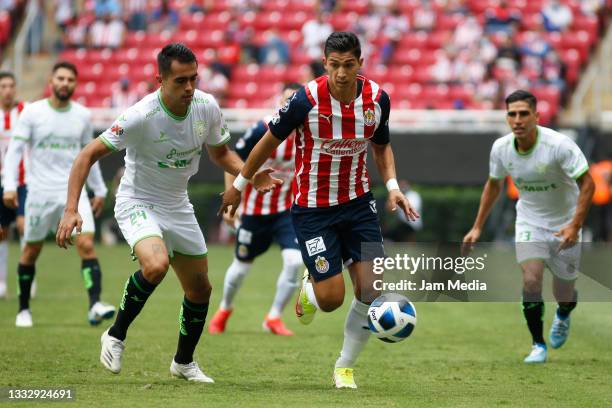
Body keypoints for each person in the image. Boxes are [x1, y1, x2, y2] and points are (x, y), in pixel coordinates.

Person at [55, 43, 278, 382]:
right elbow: (86, 155)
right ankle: (115, 335)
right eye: (180, 81)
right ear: (160, 79)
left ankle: (183, 363)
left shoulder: (206, 107)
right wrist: (71, 209)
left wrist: (249, 173)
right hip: (137, 202)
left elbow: (220, 155)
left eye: (194, 79)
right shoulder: (140, 116)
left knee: (200, 290)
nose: (190, 87)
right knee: (156, 265)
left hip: (177, 204)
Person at [219, 32, 418, 388]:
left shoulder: (377, 100)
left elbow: (382, 147)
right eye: (335, 65)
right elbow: (267, 143)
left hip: (359, 205)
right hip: (312, 211)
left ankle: (344, 368)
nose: (342, 73)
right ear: (325, 63)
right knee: (330, 301)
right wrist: (238, 185)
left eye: (349, 64)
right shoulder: (304, 100)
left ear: (360, 63)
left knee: (371, 291)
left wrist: (392, 187)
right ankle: (313, 283)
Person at [463, 90, 594, 364]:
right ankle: (538, 345)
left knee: (564, 293)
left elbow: (588, 184)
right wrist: (477, 227)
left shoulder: (559, 145)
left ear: (536, 116)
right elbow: (493, 185)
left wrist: (574, 225)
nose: (518, 119)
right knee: (531, 280)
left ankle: (563, 313)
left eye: (524, 113)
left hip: (565, 226)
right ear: (507, 117)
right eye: (512, 114)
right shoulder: (501, 148)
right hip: (530, 222)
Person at [2, 62, 114, 328]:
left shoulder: (83, 116)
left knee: (86, 245)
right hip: (39, 192)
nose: (65, 83)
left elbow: (89, 157)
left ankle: (95, 304)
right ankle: (24, 309)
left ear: (75, 84)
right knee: (31, 250)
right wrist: (9, 185)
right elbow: (15, 151)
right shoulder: (31, 113)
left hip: (73, 195)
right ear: (51, 81)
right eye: (60, 78)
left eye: (70, 80)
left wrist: (98, 188)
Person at [209, 83, 303, 336]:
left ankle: (273, 317)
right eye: (287, 100)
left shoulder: (312, 134)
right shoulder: (263, 128)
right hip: (253, 212)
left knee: (295, 262)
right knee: (241, 267)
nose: (290, 105)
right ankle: (224, 309)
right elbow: (231, 160)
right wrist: (232, 202)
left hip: (286, 211)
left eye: (295, 101)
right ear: (279, 102)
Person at [0, 71, 26, 299]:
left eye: (11, 85)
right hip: (1, 182)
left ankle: (27, 278)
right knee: (1, 232)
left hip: (24, 181)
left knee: (24, 227)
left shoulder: (25, 112)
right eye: (3, 86)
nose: (8, 90)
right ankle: (1, 282)